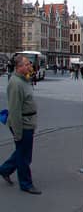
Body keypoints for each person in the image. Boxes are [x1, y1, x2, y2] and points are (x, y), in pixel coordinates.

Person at [0, 55, 41, 194]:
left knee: (22, 151)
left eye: (29, 64)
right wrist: (18, 133)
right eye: (27, 64)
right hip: (22, 124)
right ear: (19, 67)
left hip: (28, 122)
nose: (30, 66)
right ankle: (26, 183)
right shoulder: (15, 83)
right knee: (24, 156)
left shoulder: (24, 79)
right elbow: (15, 110)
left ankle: (5, 169)